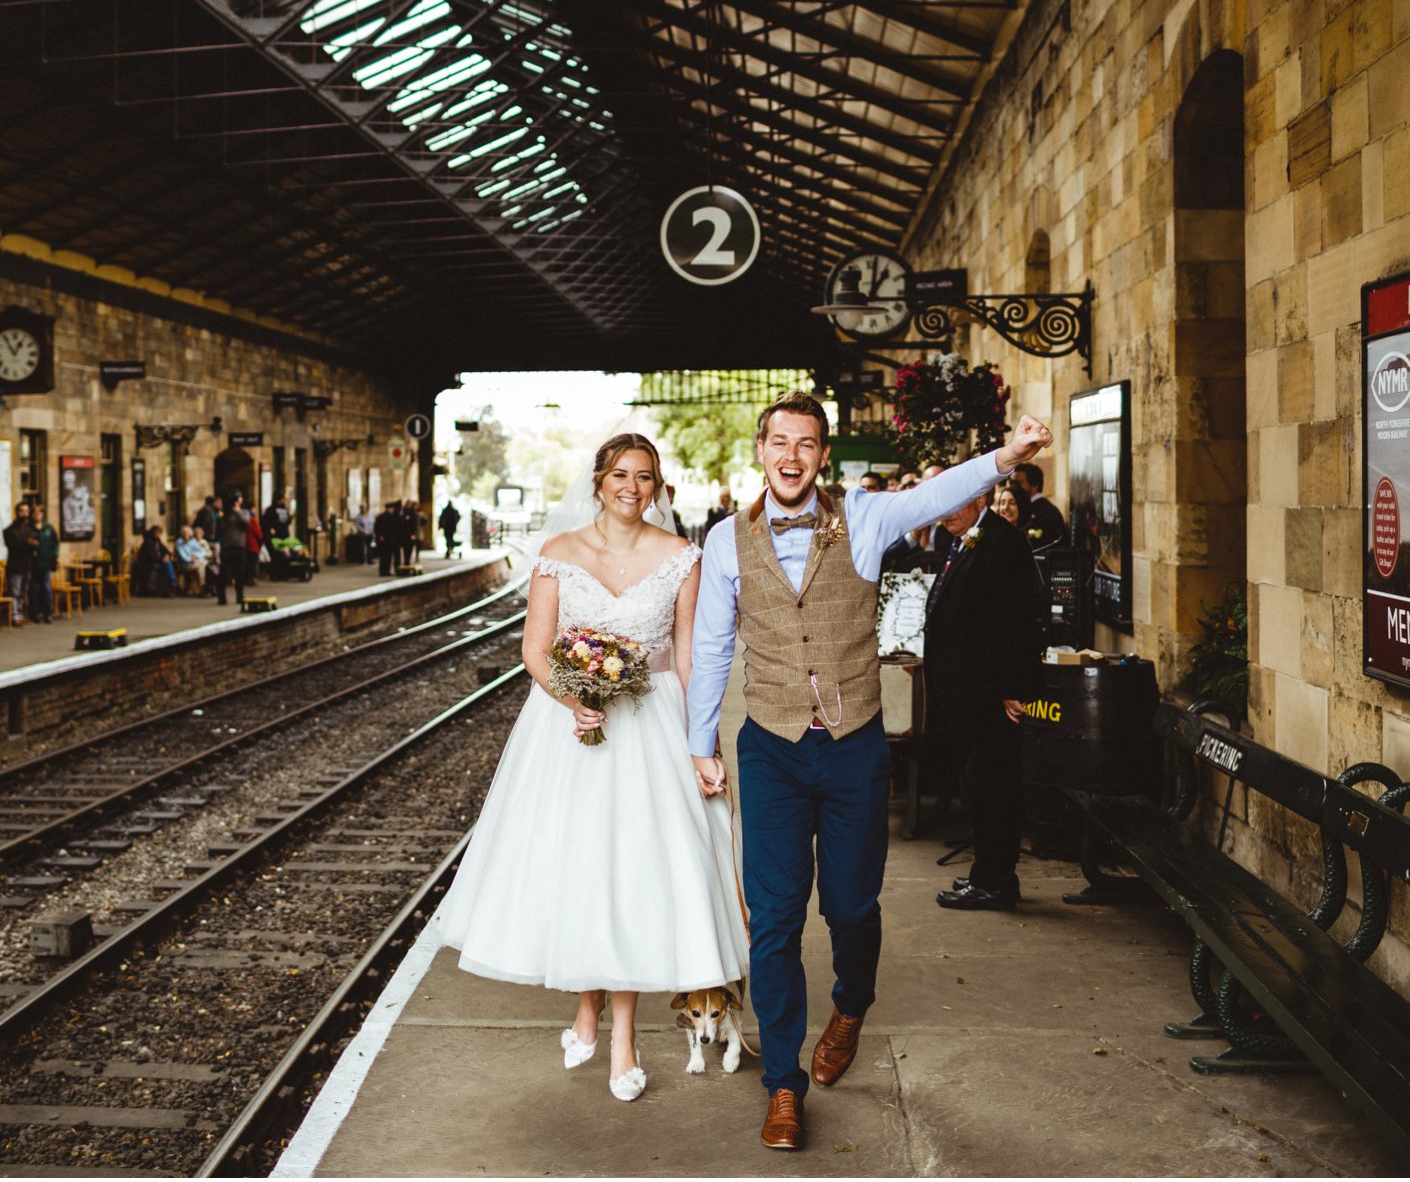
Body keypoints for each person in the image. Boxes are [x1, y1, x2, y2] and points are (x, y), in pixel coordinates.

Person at [689, 391, 1051, 1150]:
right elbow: (716, 648)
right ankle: (782, 1083)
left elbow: (937, 493)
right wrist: (701, 743)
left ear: (823, 454)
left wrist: (1006, 458)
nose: (792, 455)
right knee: (775, 921)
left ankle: (851, 1004)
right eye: (779, 441)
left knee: (851, 909)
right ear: (761, 450)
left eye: (807, 443)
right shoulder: (726, 540)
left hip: (853, 746)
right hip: (772, 749)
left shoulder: (865, 515)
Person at [430, 434, 745, 1106]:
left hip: (652, 724)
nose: (632, 487)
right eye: (620, 475)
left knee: (634, 876)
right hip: (571, 729)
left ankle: (622, 1036)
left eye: (646, 477)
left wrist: (705, 744)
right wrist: (576, 701)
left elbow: (687, 659)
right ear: (599, 480)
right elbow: (535, 652)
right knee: (579, 869)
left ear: (657, 487)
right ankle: (586, 1005)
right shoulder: (558, 555)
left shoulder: (681, 559)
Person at [926, 490, 1045, 908]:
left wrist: (1015, 689)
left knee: (995, 787)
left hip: (991, 693)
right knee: (978, 786)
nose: (945, 515)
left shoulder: (1002, 542)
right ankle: (986, 873)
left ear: (980, 500)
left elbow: (1019, 619)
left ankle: (996, 883)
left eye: (953, 505)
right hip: (968, 692)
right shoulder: (964, 539)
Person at [1011, 462, 1067, 546]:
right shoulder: (1027, 508)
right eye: (1011, 483)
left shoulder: (1045, 513)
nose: (1012, 488)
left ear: (1034, 485)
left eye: (1018, 483)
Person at [3, 501, 37, 626]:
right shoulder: (9, 530)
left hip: (27, 564)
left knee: (23, 591)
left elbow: (32, 546)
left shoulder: (28, 529)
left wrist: (33, 545)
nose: (24, 514)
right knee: (15, 591)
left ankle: (20, 614)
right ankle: (14, 616)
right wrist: (27, 543)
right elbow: (13, 546)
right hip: (15, 565)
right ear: (17, 512)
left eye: (26, 511)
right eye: (22, 511)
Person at [214, 495, 250, 605]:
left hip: (239, 546)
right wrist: (220, 518)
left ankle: (240, 595)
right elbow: (219, 528)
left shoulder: (243, 512)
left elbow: (246, 522)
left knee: (239, 573)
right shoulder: (225, 514)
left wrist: (237, 511)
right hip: (227, 547)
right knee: (224, 573)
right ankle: (222, 597)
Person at [30, 504, 60, 622]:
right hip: (33, 564)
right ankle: (35, 614)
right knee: (34, 589)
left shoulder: (48, 528)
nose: (37, 515)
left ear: (42, 514)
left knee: (46, 588)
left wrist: (54, 557)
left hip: (46, 563)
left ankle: (48, 613)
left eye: (39, 512)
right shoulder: (30, 528)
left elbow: (55, 543)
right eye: (35, 512)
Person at [131, 526, 175, 596]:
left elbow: (163, 548)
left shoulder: (157, 540)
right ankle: (171, 584)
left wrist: (167, 554)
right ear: (153, 532)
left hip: (157, 560)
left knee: (169, 563)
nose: (158, 535)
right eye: (157, 533)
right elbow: (151, 556)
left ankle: (170, 585)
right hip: (149, 563)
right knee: (166, 566)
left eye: (159, 533)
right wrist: (162, 559)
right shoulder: (148, 543)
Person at [175, 524, 209, 595]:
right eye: (184, 533)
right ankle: (202, 588)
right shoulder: (179, 542)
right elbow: (182, 556)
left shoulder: (193, 541)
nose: (186, 535)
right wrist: (191, 558)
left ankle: (202, 589)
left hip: (194, 563)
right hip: (184, 564)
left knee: (201, 566)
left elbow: (202, 551)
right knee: (202, 565)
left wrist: (195, 556)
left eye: (187, 533)